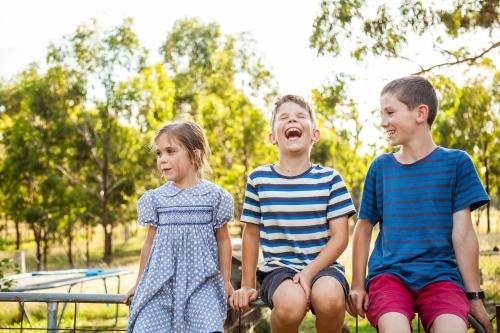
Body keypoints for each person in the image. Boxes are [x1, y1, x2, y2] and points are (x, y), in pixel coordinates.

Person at [346, 76, 494, 333]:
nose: (383, 122)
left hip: (442, 279)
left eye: (390, 112)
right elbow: (363, 228)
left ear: (420, 113)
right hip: (389, 278)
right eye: (382, 114)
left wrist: (474, 297)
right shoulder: (380, 168)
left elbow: (464, 234)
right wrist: (357, 284)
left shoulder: (457, 163)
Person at [229, 94, 356, 333]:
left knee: (330, 298)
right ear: (273, 137)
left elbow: (340, 237)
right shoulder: (259, 179)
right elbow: (251, 233)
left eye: (300, 116)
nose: (291, 121)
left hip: (323, 267)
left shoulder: (331, 179)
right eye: (283, 118)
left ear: (314, 134)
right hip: (278, 269)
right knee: (290, 304)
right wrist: (246, 285)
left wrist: (308, 273)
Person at [123, 120, 234, 333]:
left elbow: (223, 239)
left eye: (171, 151)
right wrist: (139, 283)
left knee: (207, 327)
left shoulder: (215, 197)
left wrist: (225, 281)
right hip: (159, 285)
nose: (162, 160)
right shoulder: (156, 199)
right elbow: (149, 243)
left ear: (195, 155)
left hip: (202, 284)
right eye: (159, 154)